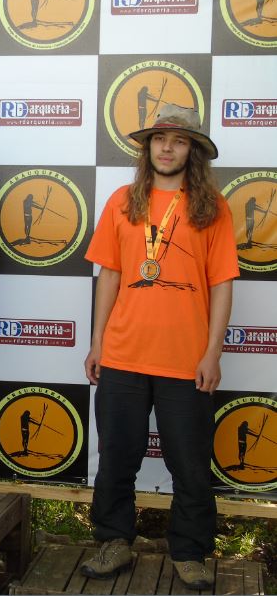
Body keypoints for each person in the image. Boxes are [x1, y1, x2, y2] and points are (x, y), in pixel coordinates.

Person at [81, 104, 239, 589]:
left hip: (186, 360)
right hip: (123, 354)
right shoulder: (122, 201)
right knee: (116, 458)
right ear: (148, 147)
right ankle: (114, 541)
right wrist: (97, 343)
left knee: (189, 464)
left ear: (193, 151)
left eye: (179, 140)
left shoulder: (212, 206)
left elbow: (222, 284)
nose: (167, 148)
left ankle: (189, 552)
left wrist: (212, 353)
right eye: (159, 139)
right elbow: (110, 275)